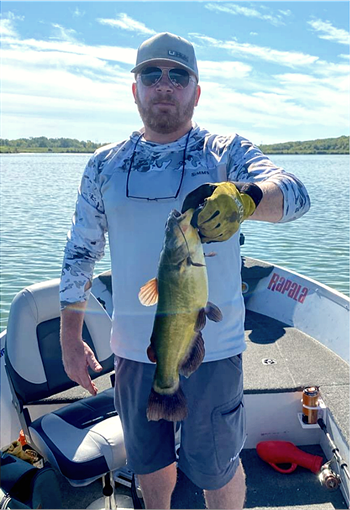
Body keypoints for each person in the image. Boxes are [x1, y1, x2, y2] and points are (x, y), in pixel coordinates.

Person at [60, 32, 310, 509]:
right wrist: (71, 338)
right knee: (149, 464)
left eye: (178, 76)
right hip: (131, 352)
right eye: (151, 75)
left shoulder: (225, 151)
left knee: (217, 465)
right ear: (135, 90)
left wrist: (248, 197)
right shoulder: (103, 165)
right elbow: (80, 250)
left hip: (213, 350)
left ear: (197, 91)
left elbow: (296, 193)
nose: (164, 85)